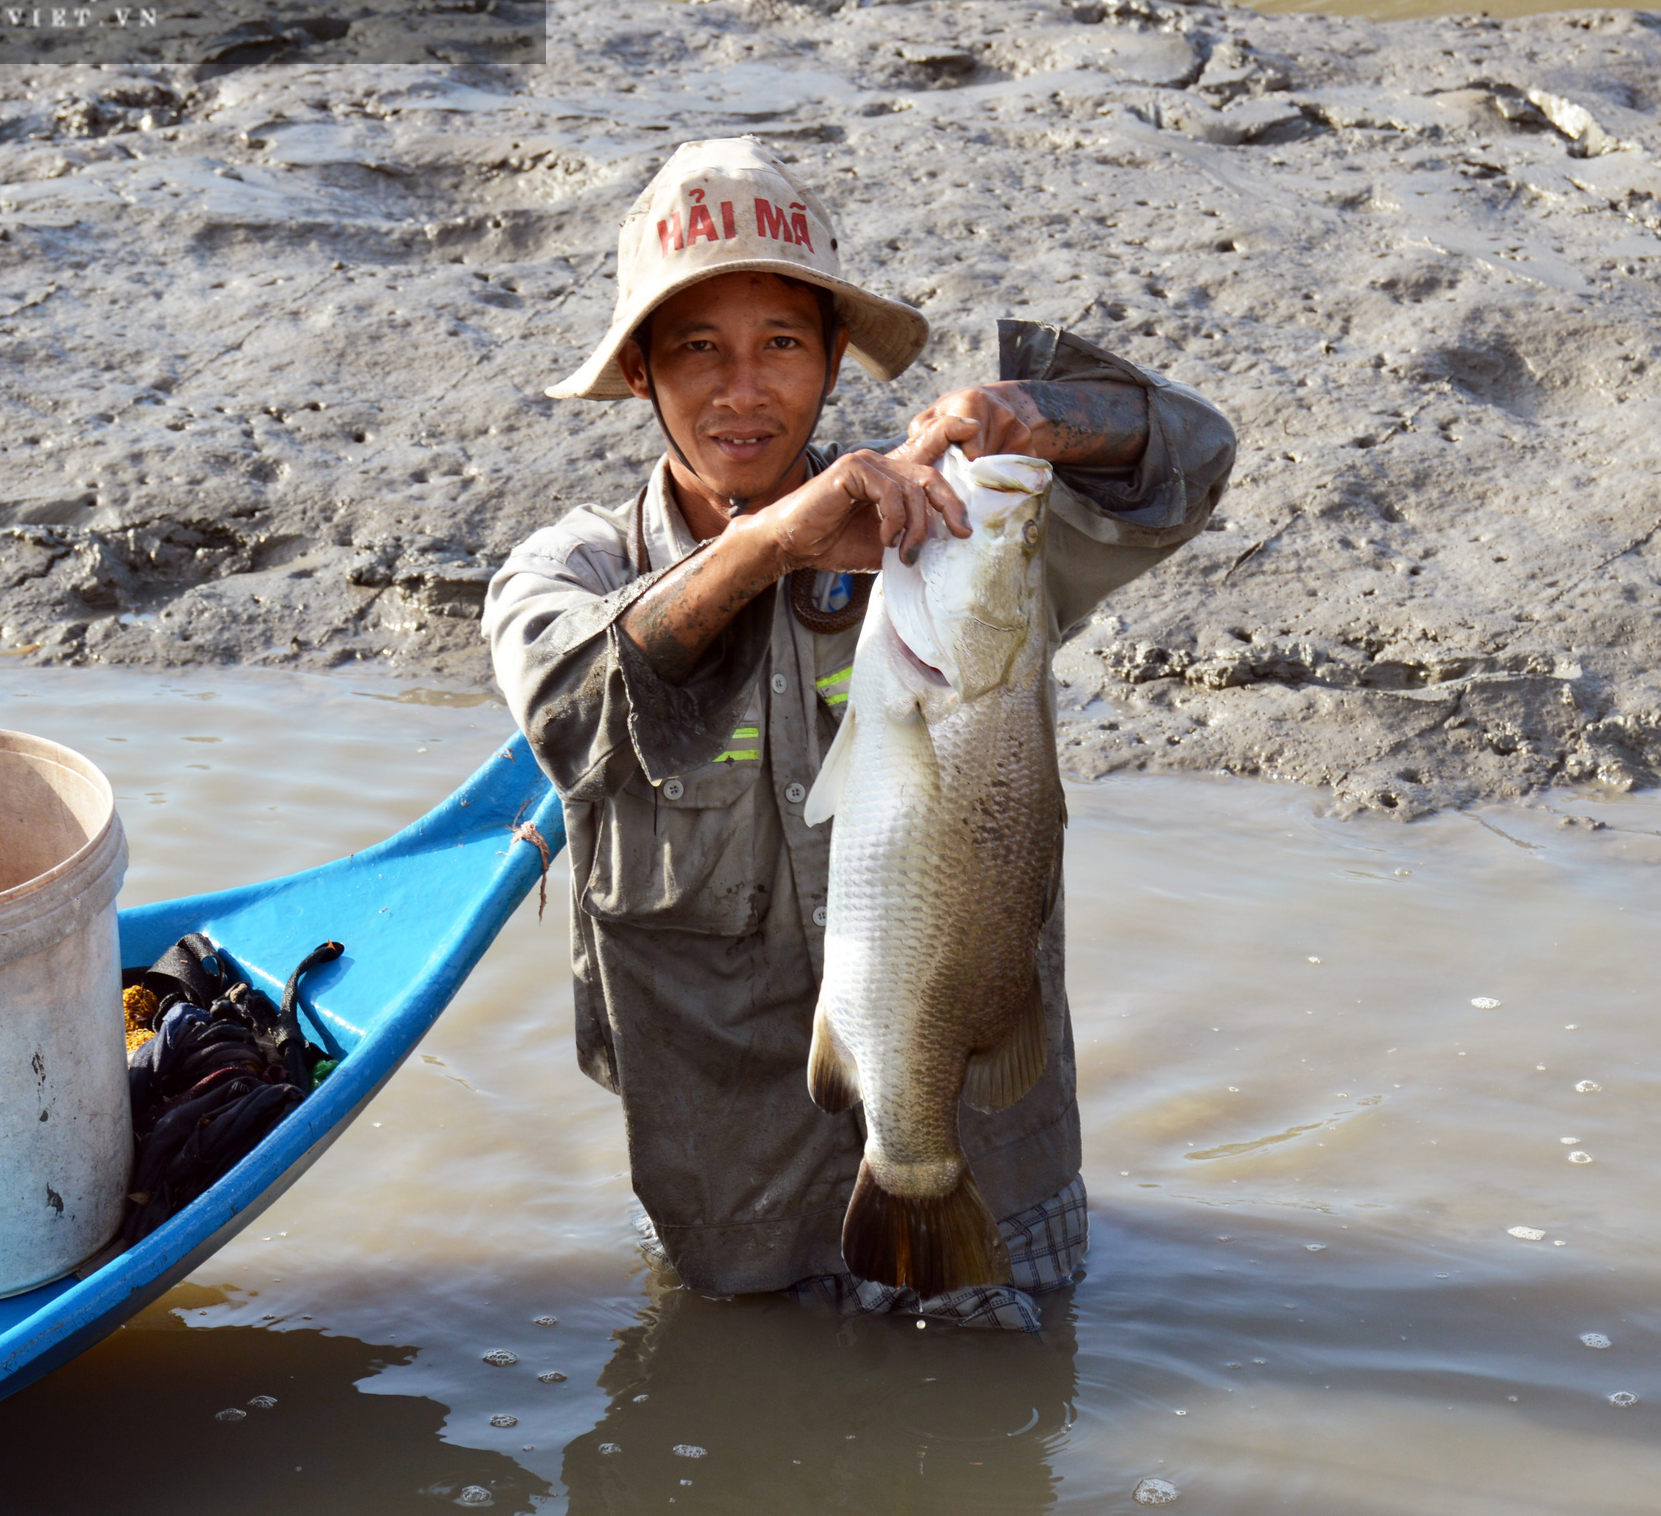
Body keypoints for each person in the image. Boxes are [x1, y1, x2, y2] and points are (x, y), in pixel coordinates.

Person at [484, 138, 1236, 1330]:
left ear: (837, 359)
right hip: (728, 1214)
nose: (743, 389)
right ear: (637, 371)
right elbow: (574, 699)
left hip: (993, 1185)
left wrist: (1032, 415)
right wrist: (771, 544)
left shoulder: (942, 532)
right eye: (697, 349)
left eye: (782, 344)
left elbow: (1190, 460)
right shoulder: (571, 572)